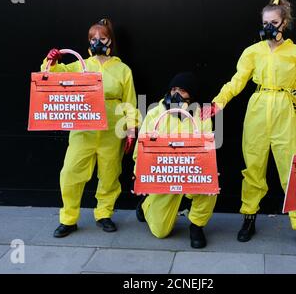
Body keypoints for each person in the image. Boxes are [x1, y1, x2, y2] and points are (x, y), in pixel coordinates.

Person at [201, 0, 296, 248]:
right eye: (265, 22)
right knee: (253, 169)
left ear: (285, 22)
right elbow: (237, 81)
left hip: (284, 110)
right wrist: (218, 102)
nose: (269, 27)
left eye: (274, 22)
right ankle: (249, 218)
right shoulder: (252, 52)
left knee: (291, 169)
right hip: (258, 108)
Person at [42, 18, 140, 237]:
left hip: (112, 130)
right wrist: (53, 61)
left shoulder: (123, 69)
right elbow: (51, 75)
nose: (97, 42)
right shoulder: (80, 65)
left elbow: (130, 101)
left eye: (102, 38)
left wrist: (132, 129)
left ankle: (104, 214)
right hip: (83, 129)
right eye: (93, 39)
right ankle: (68, 218)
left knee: (109, 174)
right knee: (70, 173)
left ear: (110, 40)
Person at [133, 72, 217, 249]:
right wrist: (139, 176)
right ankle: (146, 205)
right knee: (160, 232)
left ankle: (196, 226)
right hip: (165, 175)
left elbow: (207, 150)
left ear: (191, 95)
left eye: (182, 90)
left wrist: (209, 172)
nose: (176, 94)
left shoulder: (202, 116)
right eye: (173, 89)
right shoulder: (155, 113)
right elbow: (140, 150)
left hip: (190, 172)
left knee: (211, 186)